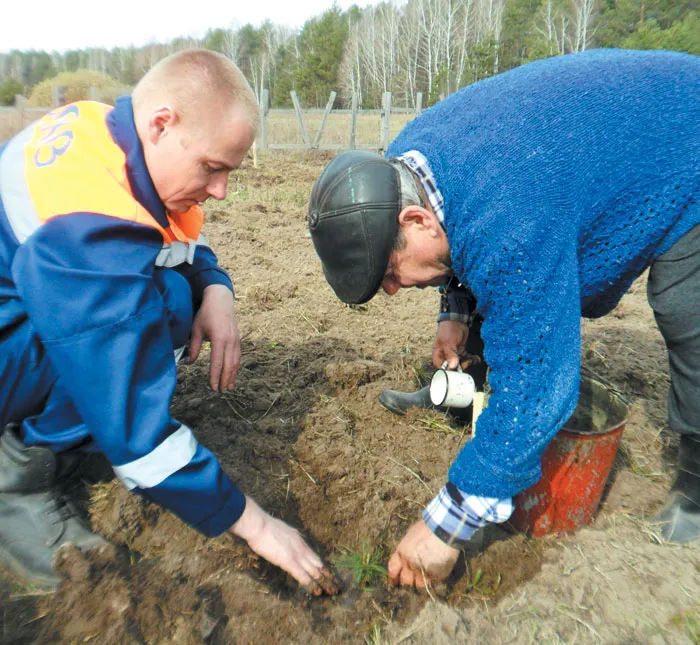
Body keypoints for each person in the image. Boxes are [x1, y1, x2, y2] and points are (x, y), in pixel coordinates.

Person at [307, 49, 700, 589]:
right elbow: (461, 234)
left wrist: (446, 527)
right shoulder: (404, 163)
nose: (394, 290)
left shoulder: (509, 217)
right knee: (506, 278)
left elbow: (539, 384)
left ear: (413, 218)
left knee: (687, 310)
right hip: (573, 152)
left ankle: (696, 489)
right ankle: (466, 392)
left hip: (684, 139)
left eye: (391, 273)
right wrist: (453, 309)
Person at [0, 49, 335, 596]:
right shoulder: (85, 228)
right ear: (162, 124)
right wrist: (254, 524)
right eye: (213, 167)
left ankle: (62, 437)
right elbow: (133, 424)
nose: (222, 190)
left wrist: (217, 289)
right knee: (141, 328)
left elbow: (171, 238)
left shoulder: (104, 132)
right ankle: (18, 482)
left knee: (174, 297)